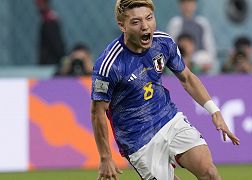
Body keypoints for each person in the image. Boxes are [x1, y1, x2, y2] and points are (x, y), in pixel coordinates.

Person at [91, 0, 240, 180]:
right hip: (138, 139)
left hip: (168, 119)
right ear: (122, 25)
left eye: (149, 18)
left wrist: (214, 111)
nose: (145, 26)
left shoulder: (163, 43)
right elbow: (98, 112)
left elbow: (187, 78)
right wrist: (105, 157)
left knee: (209, 172)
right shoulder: (110, 64)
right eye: (136, 22)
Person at [167, 0, 218, 74]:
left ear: (195, 5)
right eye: (185, 3)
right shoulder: (175, 23)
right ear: (180, 5)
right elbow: (170, 48)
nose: (188, 6)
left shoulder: (202, 23)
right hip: (181, 62)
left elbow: (210, 48)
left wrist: (206, 64)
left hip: (200, 61)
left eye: (190, 3)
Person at [35, 0, 65, 65]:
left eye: (39, 4)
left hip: (51, 62)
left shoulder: (49, 22)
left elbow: (56, 43)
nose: (37, 6)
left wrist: (63, 57)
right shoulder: (48, 20)